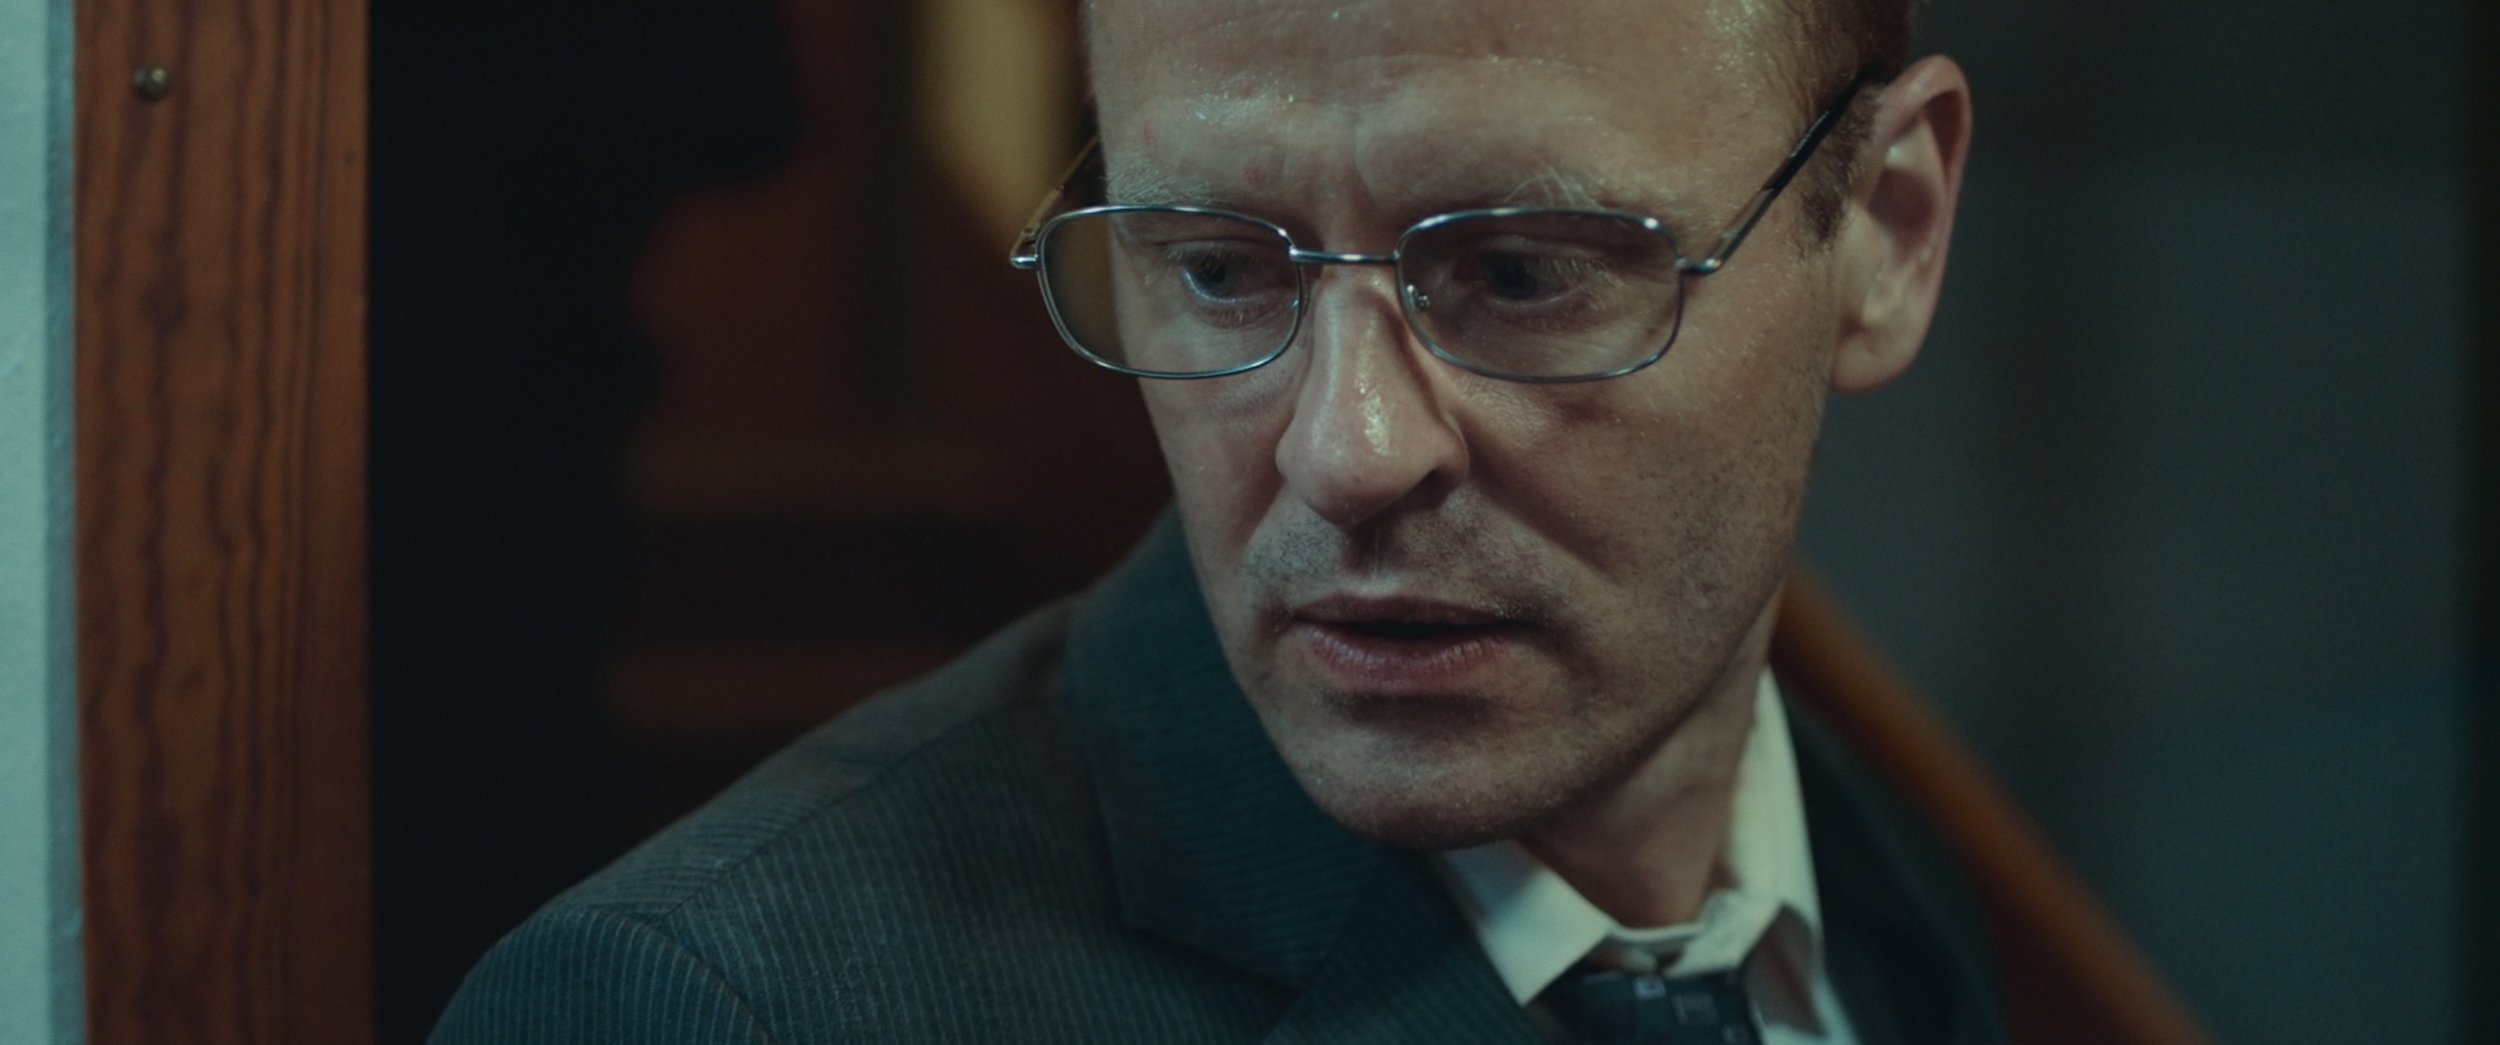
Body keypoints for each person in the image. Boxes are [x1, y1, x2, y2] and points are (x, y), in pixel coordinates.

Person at [431, 0, 1981, 1041]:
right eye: (1222, 269)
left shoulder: (1887, 891)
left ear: (1890, 231)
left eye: (1520, 272)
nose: (1346, 450)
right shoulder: (704, 1006)